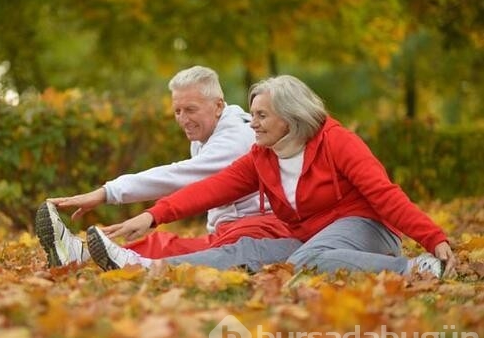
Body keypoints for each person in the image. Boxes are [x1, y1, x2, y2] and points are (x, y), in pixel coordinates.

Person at [84, 74, 457, 278]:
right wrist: (153, 215)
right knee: (249, 251)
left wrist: (432, 239)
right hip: (310, 239)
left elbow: (385, 195)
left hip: (366, 230)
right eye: (252, 114)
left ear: (290, 117)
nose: (253, 123)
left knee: (307, 262)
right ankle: (149, 266)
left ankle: (413, 269)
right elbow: (210, 189)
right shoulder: (262, 157)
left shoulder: (337, 142)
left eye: (261, 116)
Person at [35, 65, 292, 268]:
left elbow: (180, 176)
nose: (183, 119)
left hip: (261, 230)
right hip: (236, 230)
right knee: (170, 243)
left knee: (191, 250)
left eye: (190, 109)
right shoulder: (206, 136)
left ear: (218, 106)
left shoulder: (237, 136)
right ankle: (83, 254)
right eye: (177, 111)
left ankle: (91, 257)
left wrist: (108, 192)